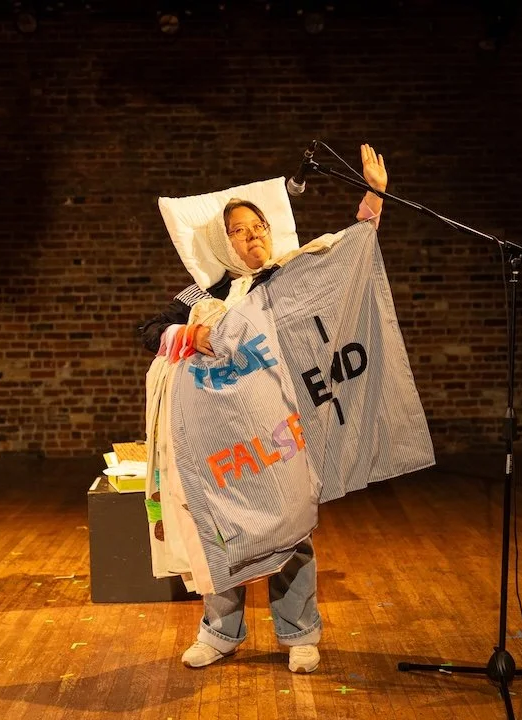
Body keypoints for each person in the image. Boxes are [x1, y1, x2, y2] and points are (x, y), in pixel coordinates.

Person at [138, 144, 388, 674]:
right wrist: (193, 335)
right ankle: (219, 633)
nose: (253, 236)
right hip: (222, 436)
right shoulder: (204, 292)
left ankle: (299, 632)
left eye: (259, 226)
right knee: (223, 530)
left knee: (290, 528)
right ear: (222, 241)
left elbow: (342, 264)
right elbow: (149, 330)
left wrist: (374, 199)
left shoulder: (290, 274)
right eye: (239, 230)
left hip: (280, 428)